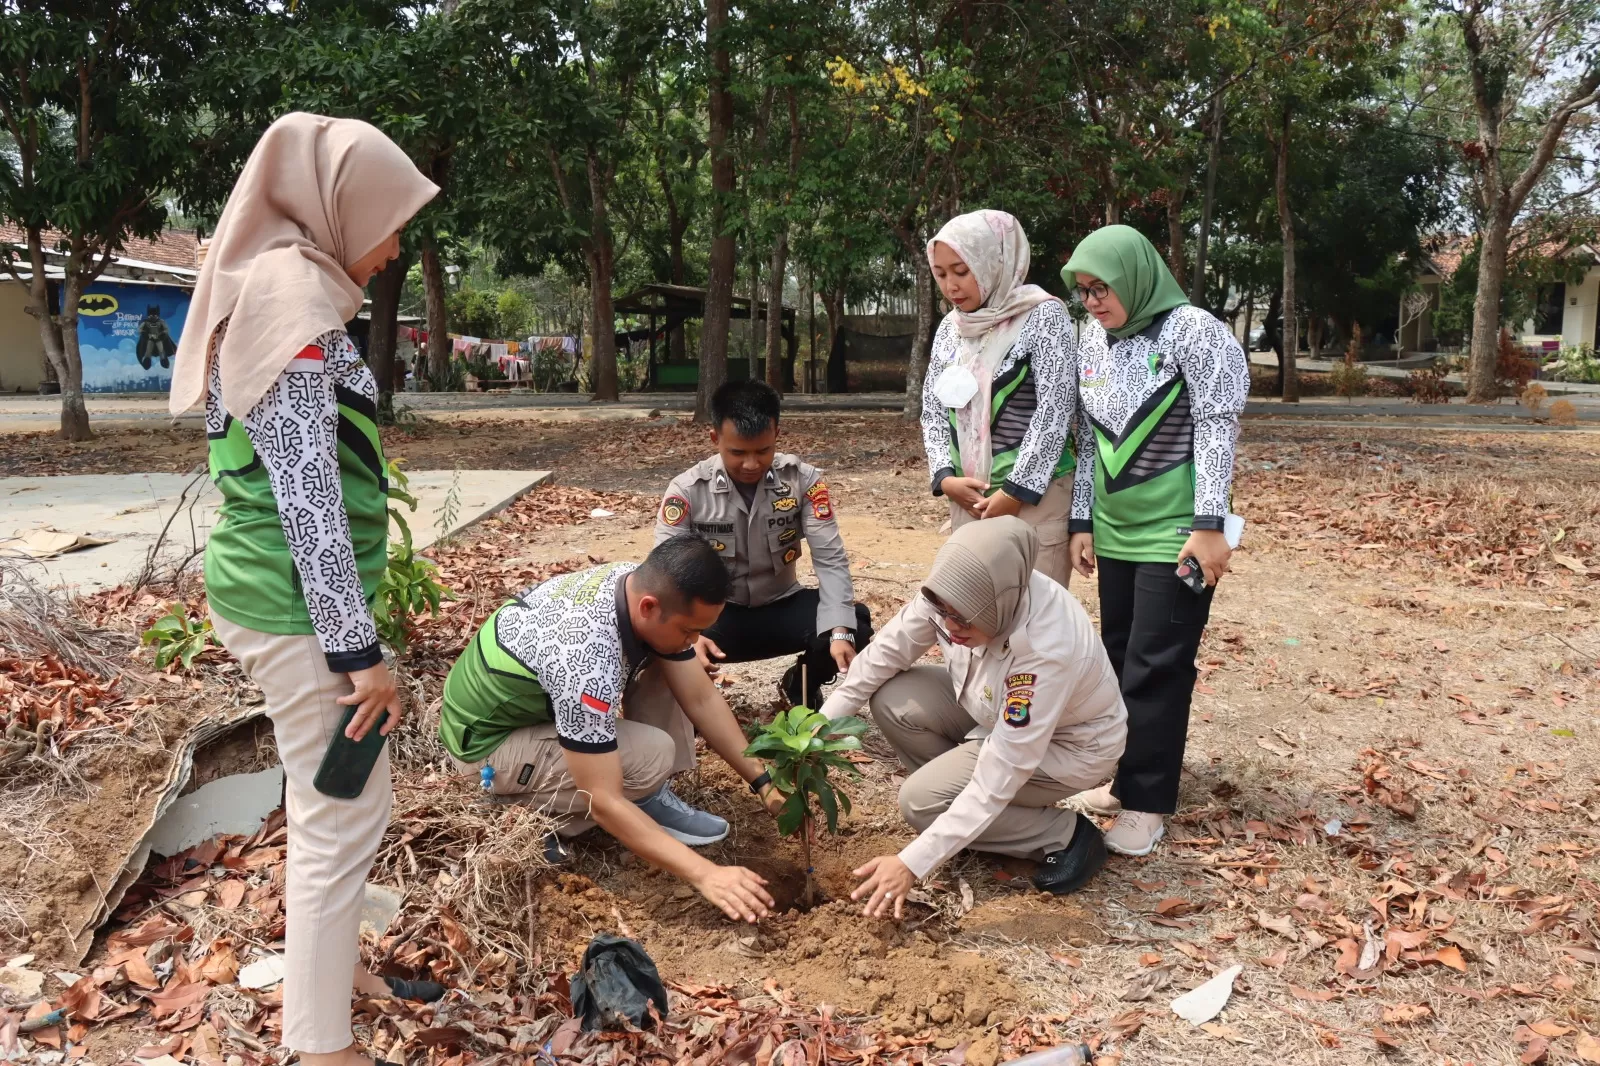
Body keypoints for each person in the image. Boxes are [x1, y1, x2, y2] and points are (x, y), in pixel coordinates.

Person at [168, 113, 441, 1066]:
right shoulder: (291, 304)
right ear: (339, 205)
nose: (397, 243)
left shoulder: (288, 289)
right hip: (298, 606)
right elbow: (310, 503)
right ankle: (321, 1046)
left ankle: (327, 966)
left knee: (332, 787)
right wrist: (357, 655)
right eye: (391, 217)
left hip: (299, 600)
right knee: (342, 813)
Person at [437, 538, 789, 922]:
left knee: (668, 659)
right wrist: (706, 874)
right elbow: (603, 799)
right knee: (651, 755)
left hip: (530, 710)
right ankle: (521, 813)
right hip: (487, 748)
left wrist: (765, 784)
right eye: (690, 630)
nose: (695, 643)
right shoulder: (585, 662)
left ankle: (645, 796)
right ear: (649, 607)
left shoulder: (634, 581)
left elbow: (701, 698)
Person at [813, 518, 1127, 915]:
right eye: (944, 613)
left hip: (1065, 746)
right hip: (989, 710)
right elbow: (882, 657)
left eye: (964, 619)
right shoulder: (953, 594)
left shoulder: (1047, 649)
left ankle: (1064, 834)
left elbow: (1002, 773)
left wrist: (914, 861)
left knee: (921, 802)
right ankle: (969, 818)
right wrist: (816, 735)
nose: (950, 627)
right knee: (894, 699)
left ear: (1001, 601)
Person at [1061, 224, 1249, 857]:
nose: (1092, 302)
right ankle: (1122, 777)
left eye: (1101, 287)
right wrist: (1082, 520)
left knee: (1158, 665)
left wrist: (1210, 526)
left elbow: (1218, 430)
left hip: (1177, 533)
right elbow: (1088, 439)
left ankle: (1147, 802)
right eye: (1083, 291)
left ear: (1136, 276)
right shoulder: (1094, 337)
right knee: (1116, 659)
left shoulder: (1195, 332)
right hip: (1115, 528)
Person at [655, 379, 873, 708]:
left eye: (763, 450)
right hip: (715, 617)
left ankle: (801, 685)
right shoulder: (687, 491)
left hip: (781, 605)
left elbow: (830, 559)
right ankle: (693, 705)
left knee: (853, 622)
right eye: (738, 452)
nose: (751, 464)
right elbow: (664, 573)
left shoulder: (803, 481)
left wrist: (839, 631)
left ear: (777, 435)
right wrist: (688, 635)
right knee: (657, 636)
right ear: (715, 438)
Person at [920, 209, 1082, 586]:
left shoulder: (1043, 316)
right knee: (972, 611)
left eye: (961, 271)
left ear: (994, 260)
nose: (951, 286)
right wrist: (945, 477)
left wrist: (1015, 490)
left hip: (1034, 497)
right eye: (940, 273)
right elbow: (932, 408)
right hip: (970, 494)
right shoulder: (951, 327)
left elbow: (1055, 411)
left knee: (1032, 614)